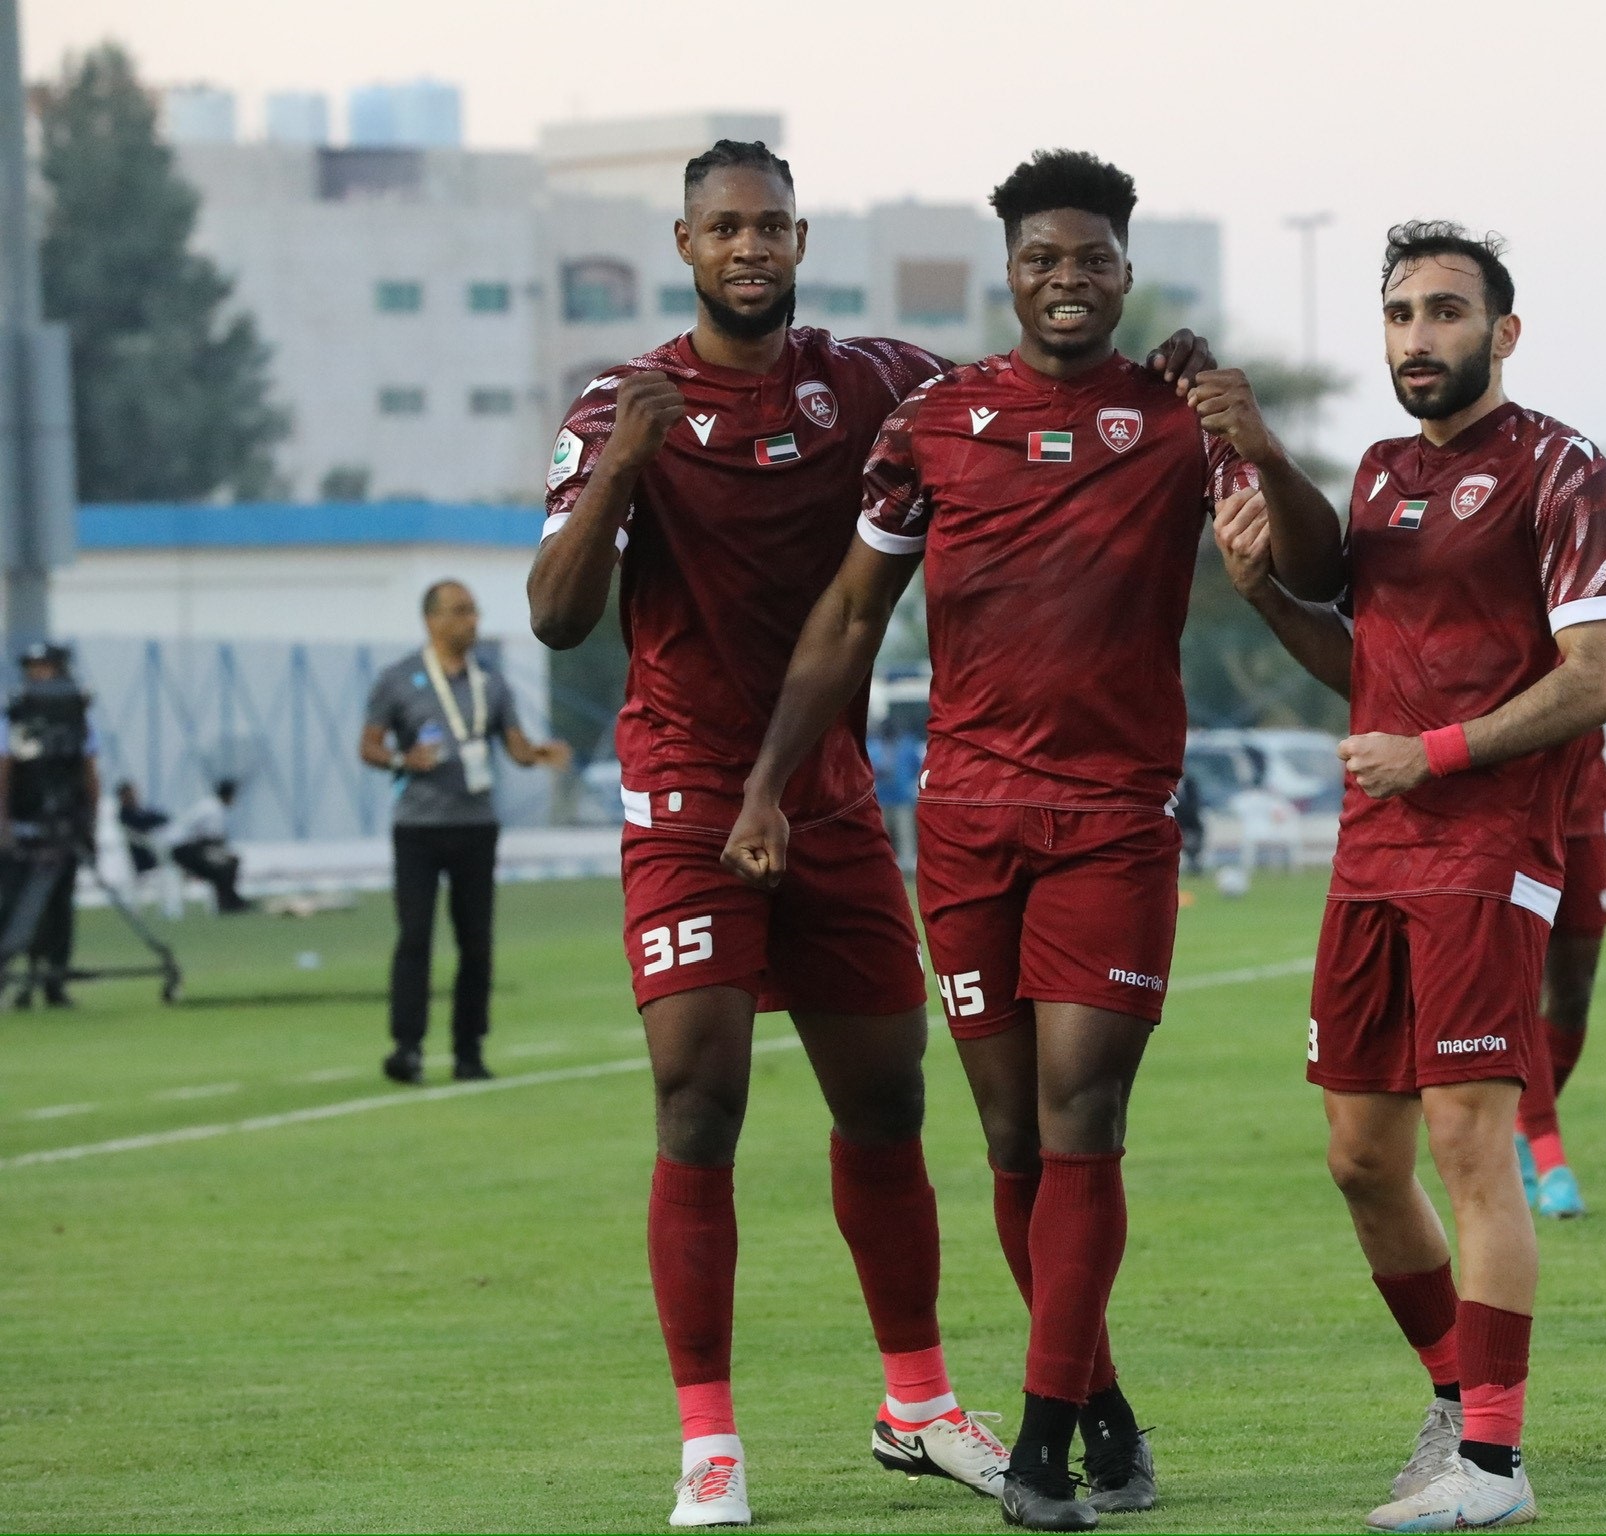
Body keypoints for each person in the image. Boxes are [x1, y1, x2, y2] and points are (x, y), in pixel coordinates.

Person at [527, 139, 1216, 1529]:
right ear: (685, 245)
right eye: (727, 228)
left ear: (801, 240)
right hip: (688, 792)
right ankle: (709, 1443)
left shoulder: (878, 385)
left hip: (834, 796)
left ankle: (918, 1403)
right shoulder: (620, 403)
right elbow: (555, 614)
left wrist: (1157, 375)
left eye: (772, 226)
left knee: (891, 1103)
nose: (751, 248)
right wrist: (621, 474)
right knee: (698, 1097)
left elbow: (1025, 395)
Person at [723, 149, 1322, 1531]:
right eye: (1042, 259)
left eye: (1091, 259)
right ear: (1011, 272)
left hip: (1113, 827)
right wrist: (768, 784)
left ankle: (1043, 1448)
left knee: (1082, 1118)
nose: (1067, 280)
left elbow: (1315, 562)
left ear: (1127, 270)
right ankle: (1103, 1411)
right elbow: (851, 617)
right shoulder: (933, 424)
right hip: (967, 830)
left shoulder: (1177, 420)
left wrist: (1261, 439)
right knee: (1010, 1144)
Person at [1212, 221, 1606, 1531]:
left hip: (1489, 847)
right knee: (1358, 1157)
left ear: (1502, 333)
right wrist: (1266, 598)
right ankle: (1459, 1403)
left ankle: (1495, 1469)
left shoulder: (1559, 467)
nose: (1419, 335)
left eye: (1447, 311)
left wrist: (1436, 753)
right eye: (1400, 313)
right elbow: (1369, 674)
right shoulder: (1381, 473)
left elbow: (1603, 679)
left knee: (1467, 1142)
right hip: (1373, 852)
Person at [361, 580, 568, 1085]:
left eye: (474, 611)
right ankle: (407, 1048)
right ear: (432, 620)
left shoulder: (490, 684)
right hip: (417, 828)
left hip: (476, 827)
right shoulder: (397, 680)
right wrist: (402, 759)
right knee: (415, 937)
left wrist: (539, 754)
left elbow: (515, 748)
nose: (472, 620)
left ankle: (469, 1051)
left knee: (476, 943)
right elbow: (368, 745)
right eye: (460, 611)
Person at [1512, 728, 1606, 1219]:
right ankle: (1551, 1161)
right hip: (1510, 814)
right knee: (1520, 990)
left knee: (1574, 995)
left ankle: (1516, 1131)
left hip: (1581, 810)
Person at [0, 643, 100, 1006]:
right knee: (13, 905)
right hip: (24, 829)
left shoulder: (78, 720)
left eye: (45, 667)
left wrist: (90, 823)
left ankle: (53, 980)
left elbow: (89, 773)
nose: (38, 674)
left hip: (66, 827)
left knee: (59, 908)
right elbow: (5, 771)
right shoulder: (15, 718)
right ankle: (13, 976)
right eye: (33, 668)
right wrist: (3, 824)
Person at [168, 778, 253, 913]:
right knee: (228, 863)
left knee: (226, 862)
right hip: (187, 851)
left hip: (185, 849)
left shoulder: (208, 805)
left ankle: (229, 900)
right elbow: (212, 840)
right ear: (228, 795)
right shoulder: (215, 809)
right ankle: (229, 902)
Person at [868, 717, 923, 872]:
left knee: (904, 835)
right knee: (882, 835)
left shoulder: (906, 745)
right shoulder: (873, 746)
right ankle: (882, 864)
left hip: (902, 798)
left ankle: (907, 866)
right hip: (881, 799)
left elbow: (918, 767)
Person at [115, 782, 169, 878]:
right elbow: (143, 821)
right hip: (142, 865)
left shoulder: (139, 811)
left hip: (151, 859)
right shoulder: (125, 816)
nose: (133, 798)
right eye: (129, 795)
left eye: (133, 794)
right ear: (122, 798)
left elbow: (159, 817)